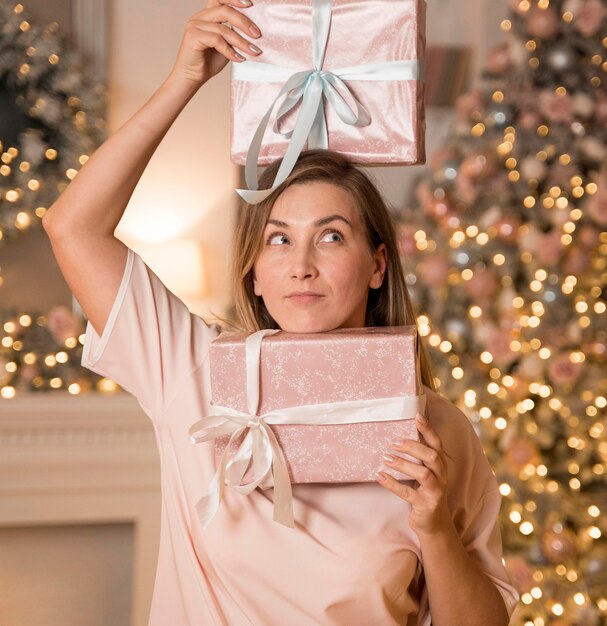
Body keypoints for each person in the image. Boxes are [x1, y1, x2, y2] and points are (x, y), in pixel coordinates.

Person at [43, 1, 519, 624]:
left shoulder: (438, 433)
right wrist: (184, 79)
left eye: (330, 236)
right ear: (254, 273)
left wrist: (434, 529)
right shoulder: (195, 373)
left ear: (377, 265)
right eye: (278, 238)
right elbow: (72, 227)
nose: (301, 264)